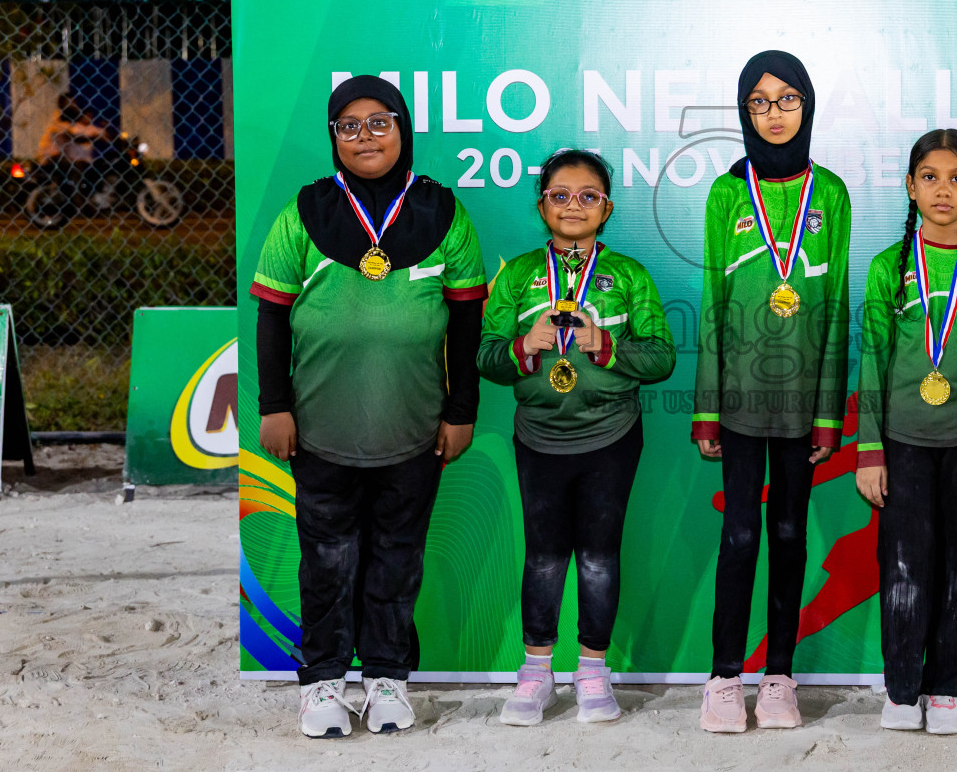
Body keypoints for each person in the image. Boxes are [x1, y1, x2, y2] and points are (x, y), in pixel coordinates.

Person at [250, 75, 488, 738]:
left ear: (402, 129)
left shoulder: (443, 212)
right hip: (319, 428)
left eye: (379, 122)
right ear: (333, 137)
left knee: (397, 557)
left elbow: (466, 323)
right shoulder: (304, 212)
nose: (365, 137)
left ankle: (386, 677)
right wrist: (274, 405)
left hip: (414, 429)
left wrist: (461, 410)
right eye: (348, 126)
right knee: (327, 559)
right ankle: (323, 682)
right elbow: (271, 317)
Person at [479, 149, 675, 726]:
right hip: (538, 438)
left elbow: (661, 356)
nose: (573, 206)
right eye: (560, 195)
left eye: (588, 196)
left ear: (606, 209)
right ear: (541, 206)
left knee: (597, 556)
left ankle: (592, 671)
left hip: (611, 437)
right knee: (543, 557)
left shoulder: (629, 276)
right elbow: (486, 356)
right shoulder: (518, 275)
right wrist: (524, 346)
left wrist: (603, 345)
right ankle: (535, 673)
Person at [692, 50, 851, 732]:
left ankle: (779, 676)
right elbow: (711, 301)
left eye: (788, 99)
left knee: (789, 534)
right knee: (739, 534)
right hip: (738, 401)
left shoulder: (831, 192)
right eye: (760, 102)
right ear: (744, 112)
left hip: (802, 404)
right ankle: (724, 677)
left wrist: (828, 415)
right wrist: (706, 408)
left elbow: (836, 307)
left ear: (807, 106)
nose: (775, 113)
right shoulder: (727, 194)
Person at [854, 129, 957, 735]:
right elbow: (872, 360)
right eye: (930, 177)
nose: (943, 190)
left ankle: (949, 688)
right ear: (910, 186)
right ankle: (902, 689)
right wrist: (869, 449)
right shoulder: (887, 268)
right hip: (901, 444)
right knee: (903, 566)